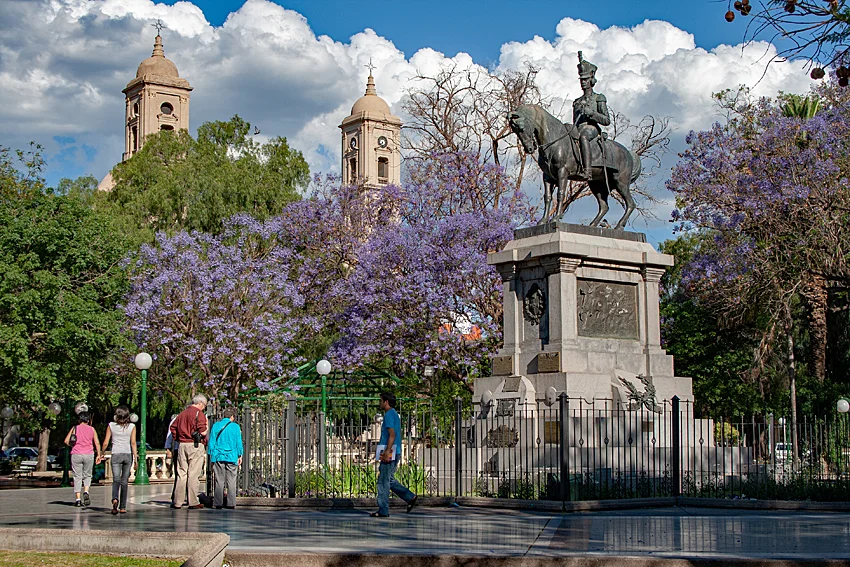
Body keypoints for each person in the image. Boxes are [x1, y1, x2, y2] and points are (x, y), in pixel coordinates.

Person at [371, 392, 417, 517]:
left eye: (381, 400)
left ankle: (383, 510)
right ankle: (410, 497)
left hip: (389, 451)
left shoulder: (388, 415)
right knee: (389, 479)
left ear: (386, 402)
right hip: (395, 451)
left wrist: (386, 452)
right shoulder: (395, 414)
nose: (380, 403)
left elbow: (392, 435)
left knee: (383, 481)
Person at [572, 51, 610, 181]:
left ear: (591, 80)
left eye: (585, 80)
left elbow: (606, 120)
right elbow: (574, 123)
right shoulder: (576, 101)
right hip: (578, 128)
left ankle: (587, 171)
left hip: (591, 129)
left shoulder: (599, 98)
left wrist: (592, 114)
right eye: (581, 80)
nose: (583, 82)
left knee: (584, 136)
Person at [170, 394, 209, 509]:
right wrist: (205, 429)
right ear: (200, 403)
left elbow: (173, 427)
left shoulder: (182, 414)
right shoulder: (199, 414)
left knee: (182, 473)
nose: (204, 408)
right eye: (204, 405)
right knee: (193, 474)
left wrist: (178, 438)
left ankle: (178, 501)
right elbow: (202, 432)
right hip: (195, 445)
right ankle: (193, 501)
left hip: (182, 444)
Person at [101, 405, 137, 514]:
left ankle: (115, 498)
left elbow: (106, 442)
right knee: (124, 481)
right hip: (127, 454)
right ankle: (123, 507)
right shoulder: (132, 426)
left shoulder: (111, 426)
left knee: (116, 479)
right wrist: (136, 459)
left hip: (116, 454)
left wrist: (102, 453)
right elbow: (133, 443)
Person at [63, 412, 102, 507]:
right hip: (89, 454)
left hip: (76, 454)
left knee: (77, 476)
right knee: (87, 475)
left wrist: (72, 445)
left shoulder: (75, 428)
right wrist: (99, 455)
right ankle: (86, 491)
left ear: (79, 419)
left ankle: (78, 499)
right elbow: (97, 443)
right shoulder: (92, 429)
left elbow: (66, 441)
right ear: (88, 420)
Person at [208, 407, 243, 509]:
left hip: (218, 455)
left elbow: (212, 442)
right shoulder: (235, 427)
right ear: (232, 417)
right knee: (231, 481)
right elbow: (238, 442)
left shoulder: (216, 426)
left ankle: (217, 503)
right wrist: (240, 455)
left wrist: (211, 455)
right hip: (232, 456)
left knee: (219, 480)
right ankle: (231, 503)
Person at [164, 412, 181, 503]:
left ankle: (177, 495)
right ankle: (177, 494)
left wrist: (168, 448)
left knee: (179, 474)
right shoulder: (176, 419)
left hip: (177, 448)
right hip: (179, 448)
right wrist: (168, 448)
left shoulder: (176, 419)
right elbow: (170, 435)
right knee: (180, 473)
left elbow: (169, 435)